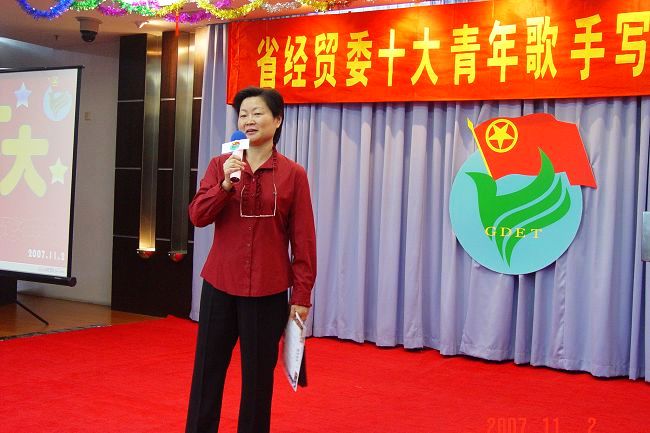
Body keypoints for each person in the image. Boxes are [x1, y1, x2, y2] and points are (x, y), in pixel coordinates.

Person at [185, 86, 317, 433]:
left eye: (257, 113)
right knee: (207, 372)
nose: (249, 120)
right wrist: (226, 185)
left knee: (258, 381)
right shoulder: (221, 165)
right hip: (220, 285)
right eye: (243, 114)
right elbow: (197, 216)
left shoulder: (293, 174)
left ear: (277, 120)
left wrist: (302, 296)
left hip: (267, 290)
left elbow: (303, 241)